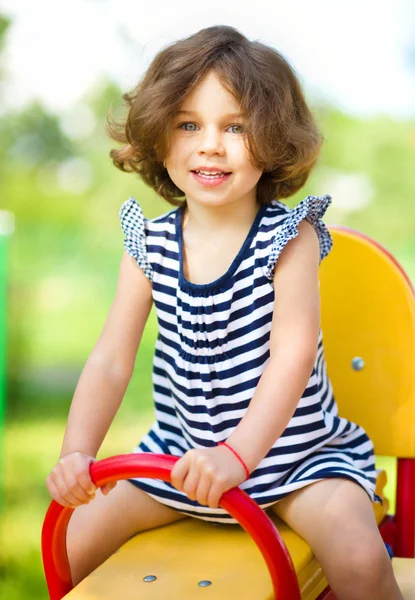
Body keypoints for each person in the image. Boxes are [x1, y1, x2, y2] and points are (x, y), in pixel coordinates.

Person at [46, 25, 403, 600]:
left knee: (359, 558)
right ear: (160, 136)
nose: (210, 144)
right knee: (73, 542)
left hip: (298, 462)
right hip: (182, 461)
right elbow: (113, 359)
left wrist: (239, 455)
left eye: (235, 127)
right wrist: (77, 453)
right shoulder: (150, 247)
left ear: (274, 142)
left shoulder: (290, 237)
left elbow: (291, 356)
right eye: (189, 124)